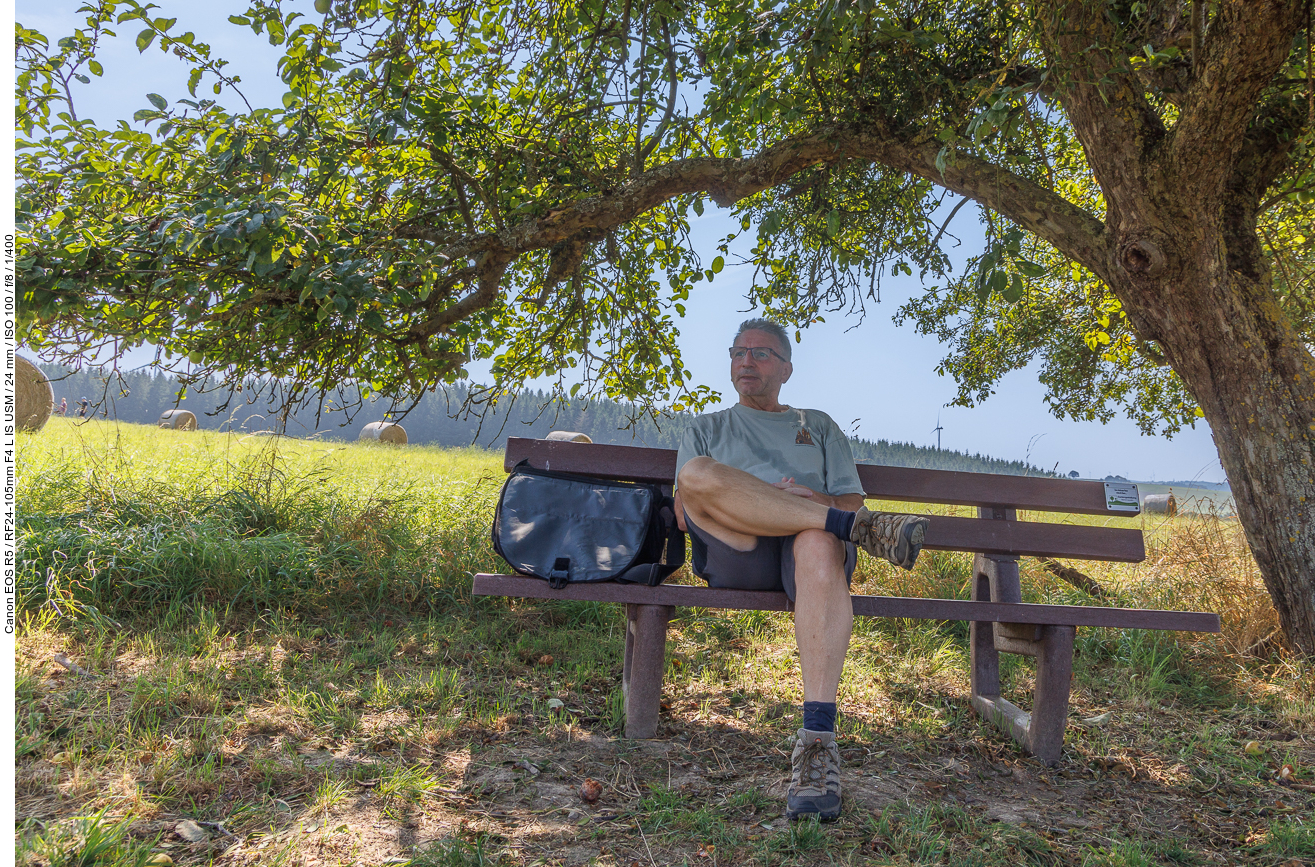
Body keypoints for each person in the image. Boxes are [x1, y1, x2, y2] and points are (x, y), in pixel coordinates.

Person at [673, 318, 929, 823]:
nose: (748, 360)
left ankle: (817, 743)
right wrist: (769, 500)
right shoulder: (706, 428)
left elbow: (852, 498)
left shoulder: (819, 424)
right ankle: (843, 526)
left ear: (787, 369)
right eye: (739, 351)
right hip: (737, 545)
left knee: (815, 540)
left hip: (810, 554)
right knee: (696, 473)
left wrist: (815, 502)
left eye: (762, 353)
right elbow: (687, 509)